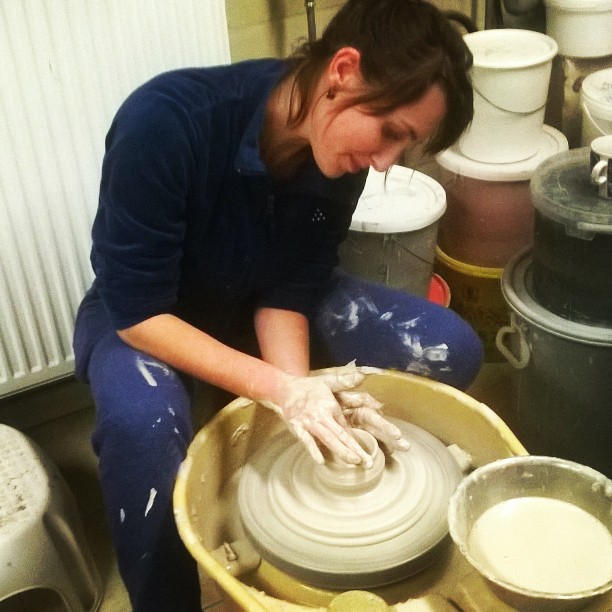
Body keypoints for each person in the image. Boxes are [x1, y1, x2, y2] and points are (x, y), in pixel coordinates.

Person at [73, 0, 480, 609]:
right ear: (343, 71)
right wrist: (279, 388)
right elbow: (137, 312)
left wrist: (303, 402)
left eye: (406, 146)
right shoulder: (164, 122)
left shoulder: (340, 152)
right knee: (144, 425)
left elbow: (290, 289)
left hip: (252, 303)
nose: (385, 162)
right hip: (152, 320)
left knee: (449, 346)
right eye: (391, 132)